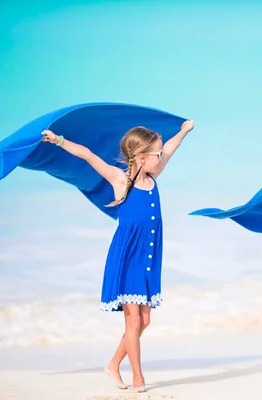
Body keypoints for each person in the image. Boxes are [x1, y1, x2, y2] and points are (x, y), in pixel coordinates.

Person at [41, 120, 194, 392]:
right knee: (133, 320)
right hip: (127, 256)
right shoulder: (119, 179)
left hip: (148, 255)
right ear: (141, 157)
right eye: (156, 155)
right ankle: (138, 379)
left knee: (144, 321)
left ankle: (113, 364)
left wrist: (184, 130)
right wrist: (59, 141)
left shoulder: (154, 177)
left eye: (160, 155)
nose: (161, 158)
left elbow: (172, 147)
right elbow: (88, 155)